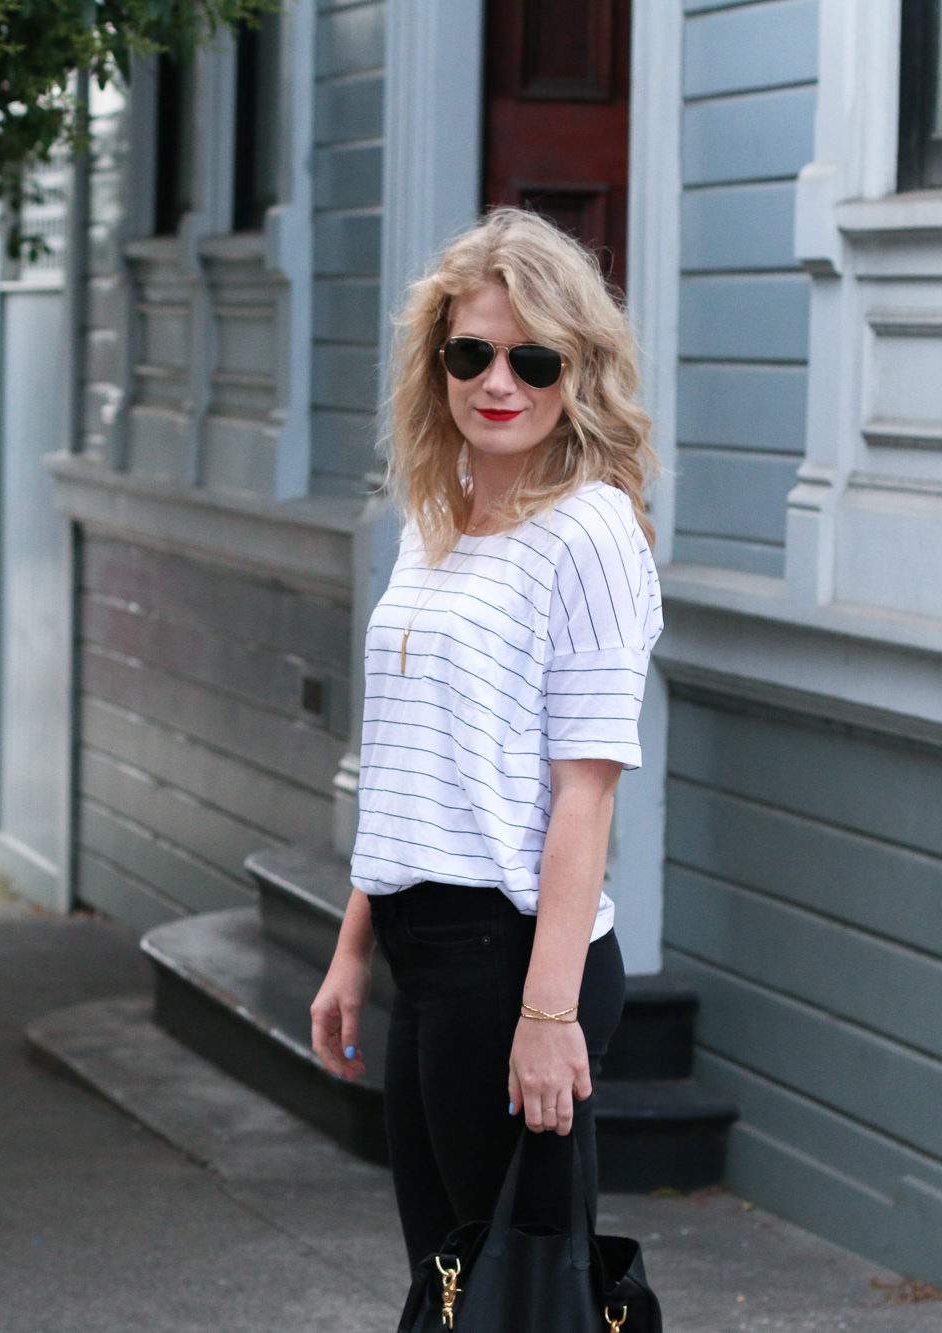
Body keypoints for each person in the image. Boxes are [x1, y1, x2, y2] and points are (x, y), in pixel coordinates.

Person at [310, 209, 661, 1274]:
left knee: (517, 1293)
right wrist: (352, 945)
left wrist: (548, 1013)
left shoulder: (589, 531)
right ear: (438, 364)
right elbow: (414, 763)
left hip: (510, 956)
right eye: (470, 353)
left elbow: (584, 797)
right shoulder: (437, 519)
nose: (496, 380)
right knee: (453, 1281)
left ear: (576, 372)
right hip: (426, 949)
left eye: (530, 357)